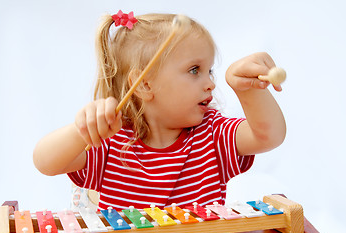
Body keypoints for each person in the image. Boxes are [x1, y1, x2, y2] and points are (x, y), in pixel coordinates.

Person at [33, 11, 286, 211]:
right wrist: (82, 131)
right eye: (194, 70)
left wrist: (249, 89)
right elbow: (45, 162)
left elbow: (268, 136)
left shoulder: (212, 133)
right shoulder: (112, 140)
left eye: (209, 70)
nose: (211, 83)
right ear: (144, 84)